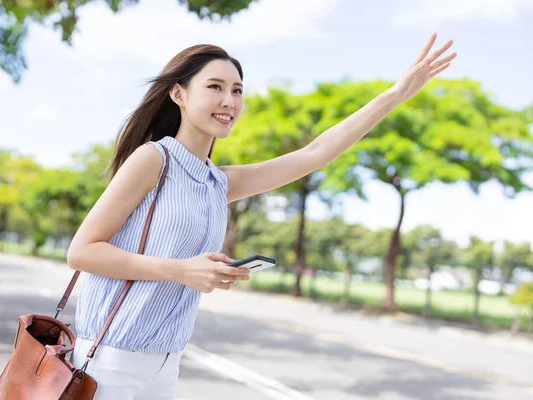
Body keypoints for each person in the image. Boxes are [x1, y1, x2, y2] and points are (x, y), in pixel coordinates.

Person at [67, 34, 456, 399]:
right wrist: (181, 270)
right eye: (215, 87)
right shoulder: (154, 159)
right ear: (178, 94)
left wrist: (397, 93)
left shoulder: (217, 183)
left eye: (237, 91)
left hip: (165, 365)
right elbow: (82, 252)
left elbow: (315, 154)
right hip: (110, 360)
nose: (229, 101)